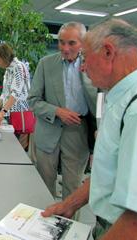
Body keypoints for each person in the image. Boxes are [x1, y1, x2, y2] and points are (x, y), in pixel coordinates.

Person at [42, 19, 137, 240]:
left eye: (84, 57)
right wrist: (69, 204)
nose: (82, 67)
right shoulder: (120, 99)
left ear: (108, 52)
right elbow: (111, 172)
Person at [28, 22, 97, 199]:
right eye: (61, 42)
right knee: (43, 185)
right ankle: (42, 223)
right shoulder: (46, 64)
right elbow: (33, 101)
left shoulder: (93, 66)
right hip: (48, 130)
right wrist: (57, 111)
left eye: (72, 43)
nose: (65, 48)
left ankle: (69, 226)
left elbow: (102, 100)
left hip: (78, 132)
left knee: (73, 188)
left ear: (83, 43)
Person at [0, 42, 31, 149]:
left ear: (4, 57)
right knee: (8, 145)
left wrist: (2, 112)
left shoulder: (18, 67)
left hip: (19, 113)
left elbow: (15, 93)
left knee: (15, 147)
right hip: (9, 113)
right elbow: (5, 93)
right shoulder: (8, 70)